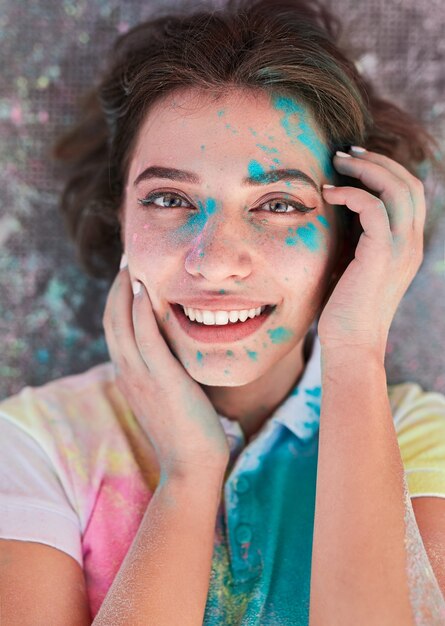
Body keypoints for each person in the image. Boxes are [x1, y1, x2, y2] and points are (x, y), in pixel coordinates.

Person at [1, 0, 444, 623]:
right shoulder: (33, 444)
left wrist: (356, 349)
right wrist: (189, 472)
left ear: (350, 236)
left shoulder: (426, 439)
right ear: (119, 220)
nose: (213, 262)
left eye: (279, 204)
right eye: (169, 198)